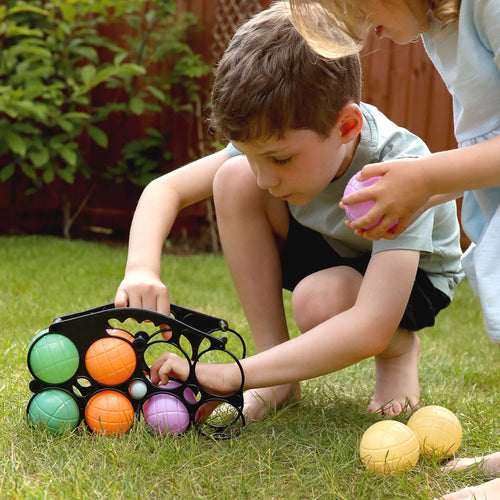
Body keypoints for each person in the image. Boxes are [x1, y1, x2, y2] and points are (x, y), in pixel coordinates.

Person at [115, 2, 464, 425]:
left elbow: (368, 325)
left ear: (347, 127)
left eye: (280, 159)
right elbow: (163, 189)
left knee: (319, 302)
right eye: (253, 155)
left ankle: (399, 350)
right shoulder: (274, 143)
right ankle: (278, 378)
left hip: (413, 280)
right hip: (333, 246)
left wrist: (233, 375)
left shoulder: (397, 168)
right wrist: (141, 269)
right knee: (232, 178)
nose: (265, 178)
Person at [286, 1, 500, 498]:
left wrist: (426, 175)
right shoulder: (437, 23)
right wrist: (422, 192)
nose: (361, 33)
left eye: (359, 6)